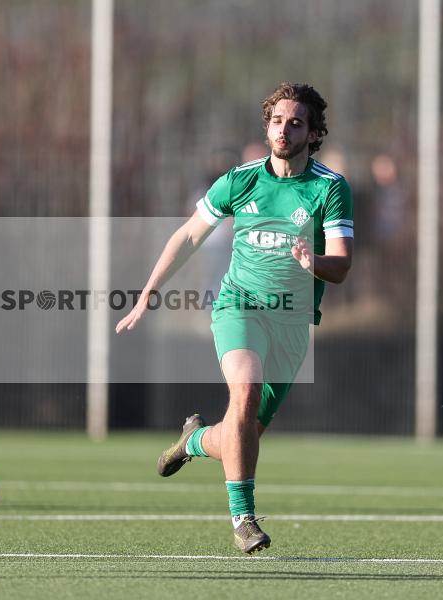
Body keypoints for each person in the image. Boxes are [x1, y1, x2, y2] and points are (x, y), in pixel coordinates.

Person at [116, 82, 353, 553]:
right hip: (238, 307)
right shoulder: (239, 180)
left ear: (314, 132)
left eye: (296, 123)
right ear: (267, 126)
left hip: (292, 323)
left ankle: (193, 441)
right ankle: (243, 521)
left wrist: (314, 263)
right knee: (242, 393)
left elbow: (342, 265)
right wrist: (148, 292)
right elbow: (188, 236)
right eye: (277, 121)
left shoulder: (329, 188)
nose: (285, 130)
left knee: (240, 435)